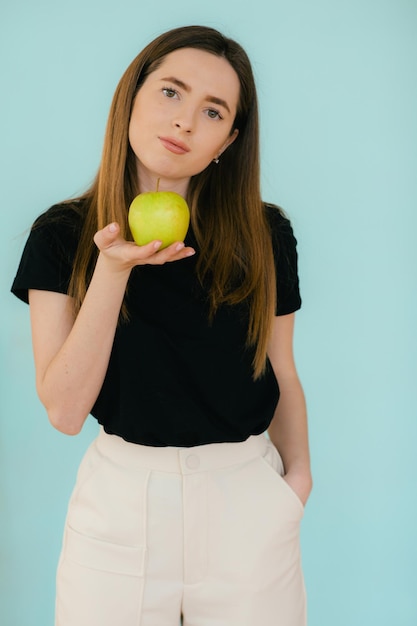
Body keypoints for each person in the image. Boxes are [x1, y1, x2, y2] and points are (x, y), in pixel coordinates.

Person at [11, 24, 312, 626]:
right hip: (121, 507)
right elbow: (65, 412)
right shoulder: (61, 235)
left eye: (212, 110)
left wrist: (295, 486)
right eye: (171, 93)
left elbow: (280, 367)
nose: (184, 122)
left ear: (228, 138)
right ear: (132, 96)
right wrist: (113, 271)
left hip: (245, 502)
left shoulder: (264, 233)